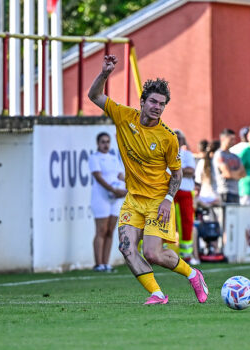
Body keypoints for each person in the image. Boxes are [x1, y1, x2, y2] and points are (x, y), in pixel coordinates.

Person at [88, 55, 208, 305]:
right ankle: (157, 294)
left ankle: (193, 274)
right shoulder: (124, 116)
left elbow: (176, 174)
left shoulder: (168, 137)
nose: (157, 106)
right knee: (126, 248)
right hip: (133, 200)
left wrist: (167, 200)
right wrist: (105, 74)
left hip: (157, 200)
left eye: (162, 104)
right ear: (142, 102)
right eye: (153, 101)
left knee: (152, 253)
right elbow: (94, 96)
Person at [89, 132, 127, 272]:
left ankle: (106, 263)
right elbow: (98, 177)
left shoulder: (112, 158)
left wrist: (127, 186)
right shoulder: (95, 158)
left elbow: (120, 175)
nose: (105, 145)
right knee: (101, 230)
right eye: (103, 142)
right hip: (101, 197)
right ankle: (98, 263)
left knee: (110, 230)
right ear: (98, 143)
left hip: (115, 198)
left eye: (107, 142)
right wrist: (112, 189)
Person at [173, 129, 196, 262]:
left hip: (185, 190)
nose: (178, 141)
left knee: (187, 221)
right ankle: (164, 251)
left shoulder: (187, 154)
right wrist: (181, 170)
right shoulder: (166, 153)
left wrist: (175, 169)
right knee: (167, 221)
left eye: (180, 139)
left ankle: (186, 254)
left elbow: (190, 171)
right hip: (170, 190)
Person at [213, 128, 246, 204]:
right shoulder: (219, 154)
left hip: (236, 192)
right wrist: (237, 174)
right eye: (231, 139)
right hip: (225, 192)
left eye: (234, 139)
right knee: (225, 216)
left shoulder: (235, 156)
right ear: (223, 139)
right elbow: (227, 174)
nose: (233, 142)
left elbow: (244, 174)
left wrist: (232, 174)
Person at [195, 140, 220, 204]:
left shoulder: (201, 162)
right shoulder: (218, 163)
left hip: (204, 197)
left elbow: (198, 181)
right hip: (217, 197)